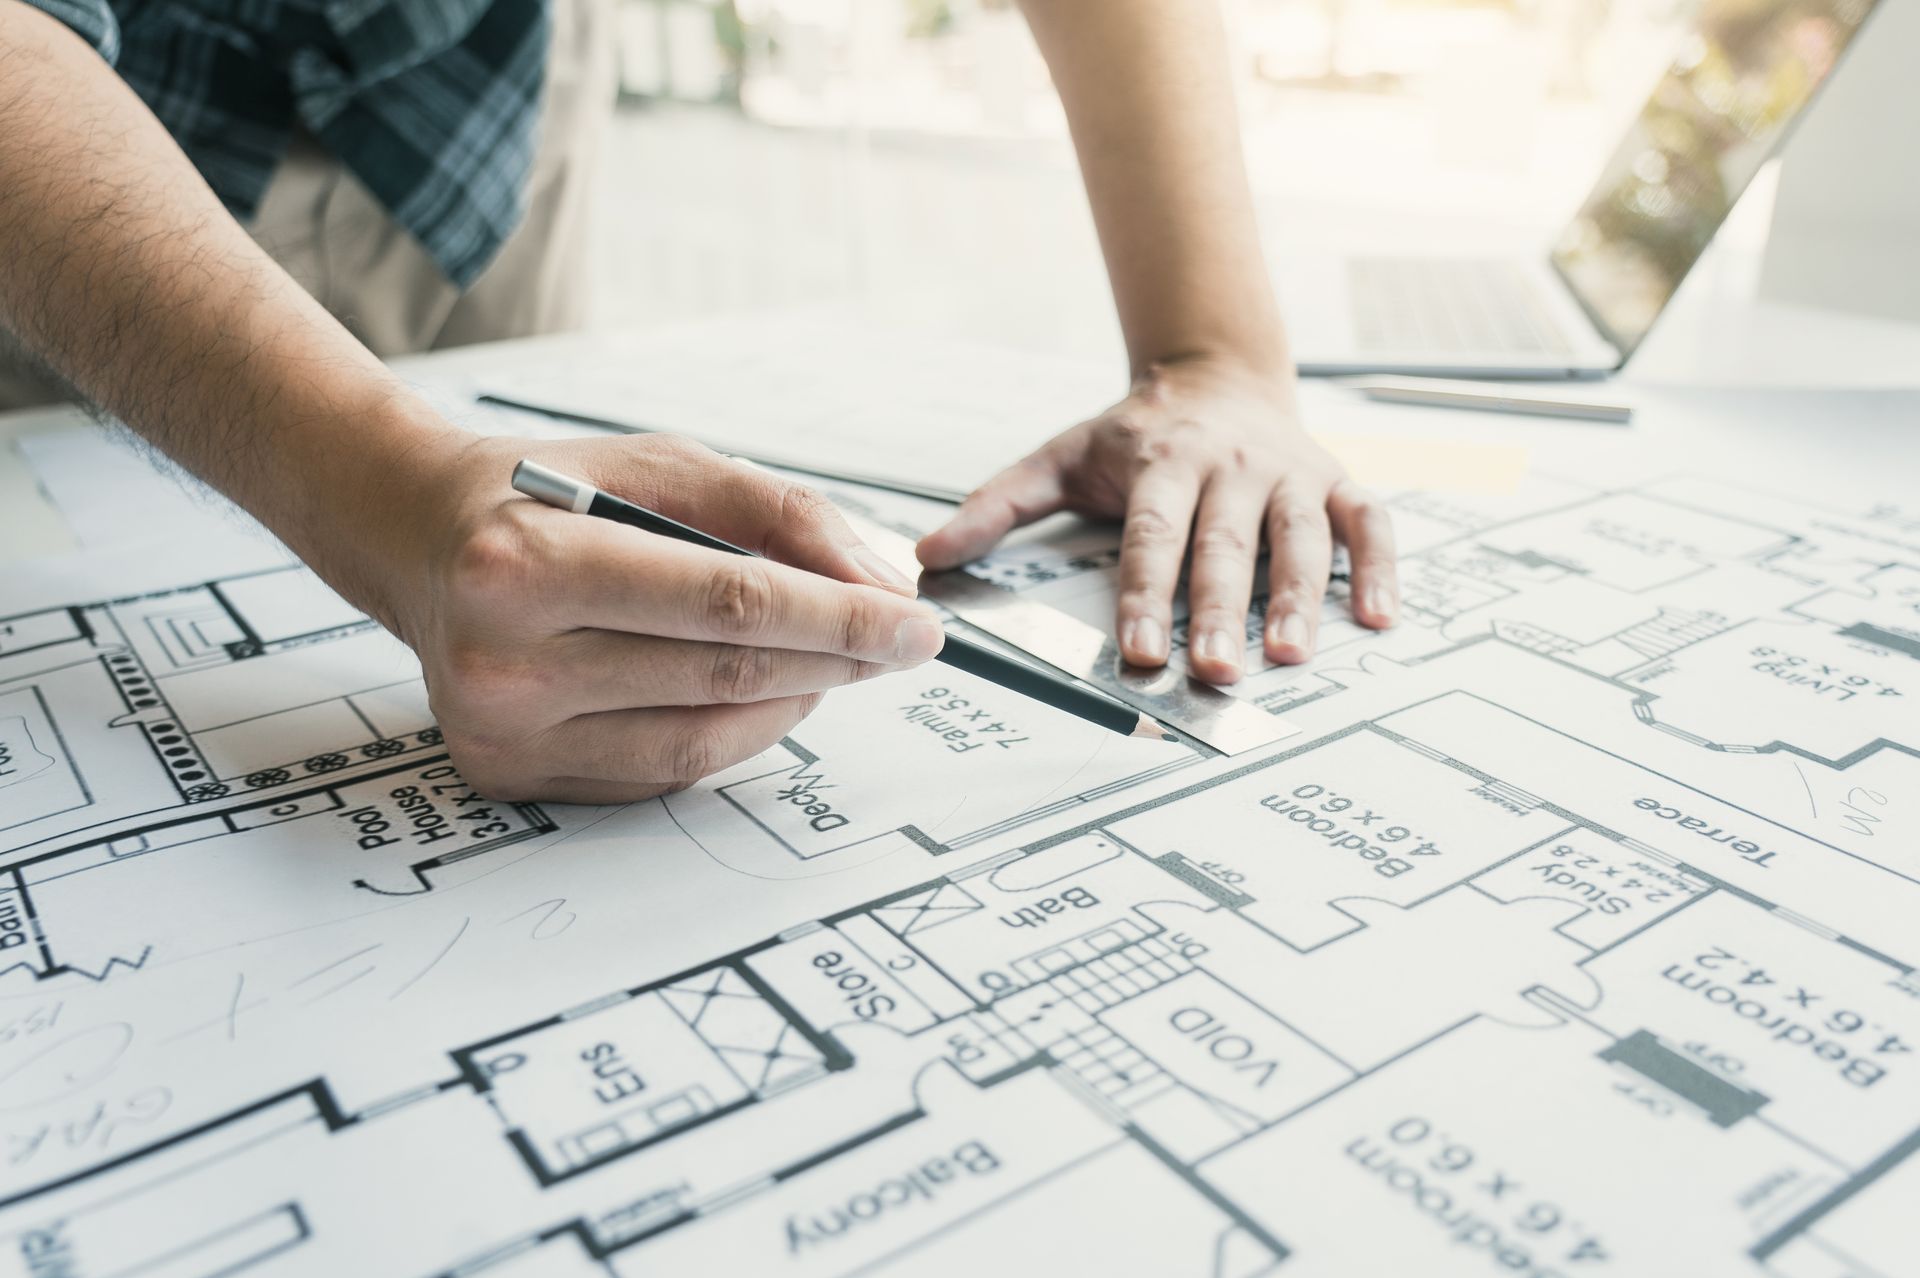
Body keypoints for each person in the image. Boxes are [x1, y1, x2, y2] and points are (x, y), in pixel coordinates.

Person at [0, 0, 1399, 803]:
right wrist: (382, 493)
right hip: (63, 158)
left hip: (469, 86)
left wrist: (1214, 349)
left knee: (558, 574)